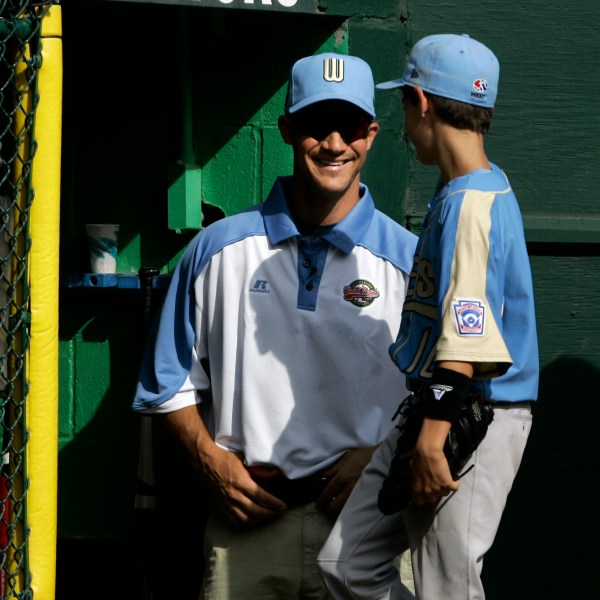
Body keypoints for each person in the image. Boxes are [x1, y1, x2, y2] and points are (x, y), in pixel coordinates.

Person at [132, 52, 417, 600]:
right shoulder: (217, 250)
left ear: (372, 135)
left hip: (369, 527)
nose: (333, 143)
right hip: (249, 528)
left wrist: (384, 459)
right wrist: (209, 460)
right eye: (316, 124)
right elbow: (168, 383)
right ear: (287, 129)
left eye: (350, 125)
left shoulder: (410, 261)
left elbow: (441, 393)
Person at [317, 33, 539, 600]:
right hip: (435, 402)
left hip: (473, 410)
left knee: (447, 586)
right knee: (347, 563)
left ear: (419, 102)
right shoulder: (464, 187)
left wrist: (432, 440)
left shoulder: (472, 204)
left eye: (402, 104)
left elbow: (466, 339)